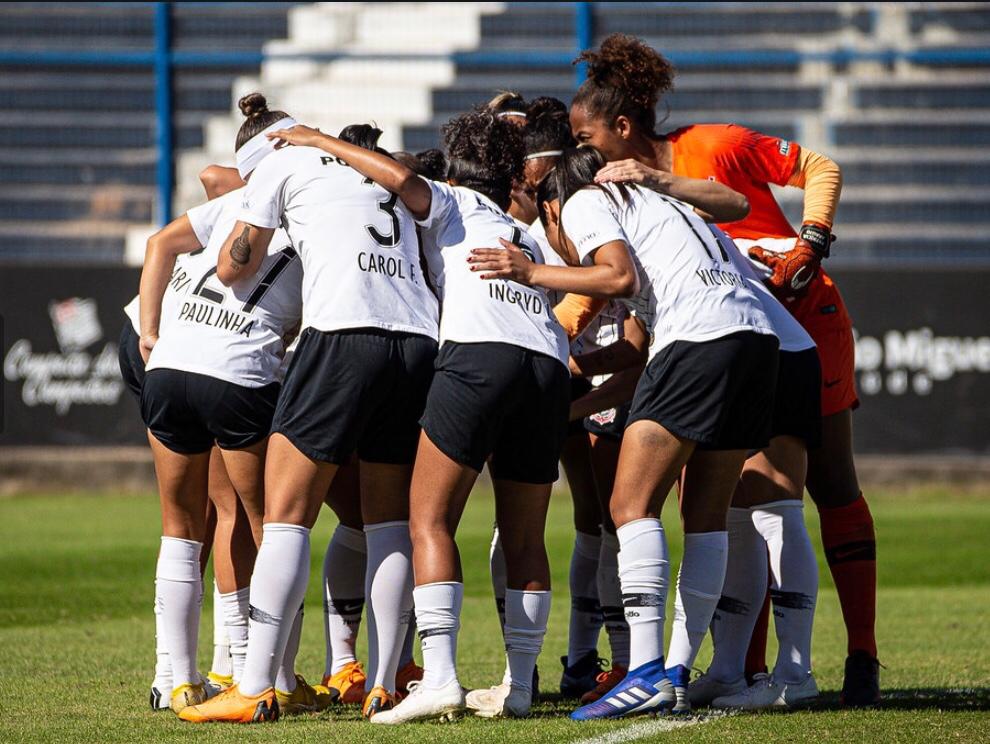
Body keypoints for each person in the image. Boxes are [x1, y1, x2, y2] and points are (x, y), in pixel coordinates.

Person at [569, 32, 879, 706]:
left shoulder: (710, 148)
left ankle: (853, 657)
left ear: (621, 127)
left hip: (793, 321)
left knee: (808, 489)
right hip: (741, 331)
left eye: (586, 136)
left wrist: (812, 239)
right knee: (730, 501)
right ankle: (736, 666)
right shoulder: (627, 198)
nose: (581, 152)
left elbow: (818, 167)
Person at [274, 109, 572, 723]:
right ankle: (518, 686)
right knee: (524, 537)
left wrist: (314, 140)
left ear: (458, 168)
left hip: (480, 353)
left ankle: (438, 678)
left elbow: (396, 180)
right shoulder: (524, 233)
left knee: (426, 518)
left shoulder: (453, 202)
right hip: (546, 363)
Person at [469, 145, 780, 720]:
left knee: (629, 505)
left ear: (552, 209)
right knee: (706, 517)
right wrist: (575, 378)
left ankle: (641, 672)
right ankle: (677, 673)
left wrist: (528, 270)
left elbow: (617, 275)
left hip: (700, 339)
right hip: (755, 342)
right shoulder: (662, 206)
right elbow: (636, 347)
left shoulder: (586, 199)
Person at [179, 95, 439, 724]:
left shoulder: (279, 165)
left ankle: (255, 684)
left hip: (344, 333)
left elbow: (232, 267)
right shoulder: (368, 166)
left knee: (285, 512)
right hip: (415, 340)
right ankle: (383, 682)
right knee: (387, 522)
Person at [137, 93, 307, 716]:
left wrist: (150, 333)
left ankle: (176, 680)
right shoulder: (316, 215)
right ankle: (272, 678)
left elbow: (162, 237)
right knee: (271, 528)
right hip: (238, 376)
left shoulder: (233, 199)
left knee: (181, 532)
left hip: (170, 367)